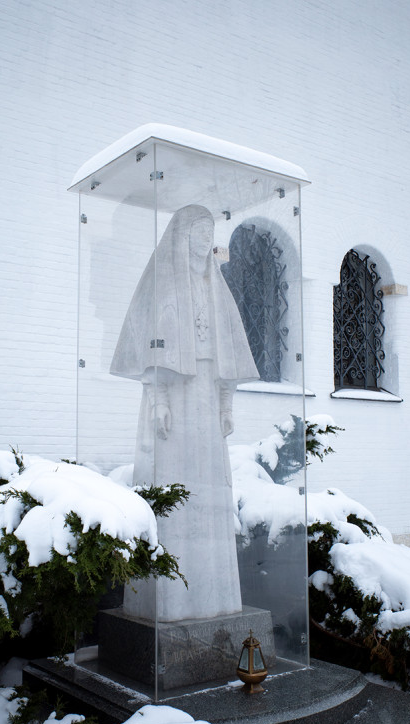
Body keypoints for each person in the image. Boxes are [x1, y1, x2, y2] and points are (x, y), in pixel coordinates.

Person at [111, 204, 259, 621]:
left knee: (207, 492)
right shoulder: (165, 283)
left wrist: (226, 404)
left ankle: (213, 599)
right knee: (174, 491)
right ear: (181, 236)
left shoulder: (216, 285)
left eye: (208, 231)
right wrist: (158, 401)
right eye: (197, 230)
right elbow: (154, 347)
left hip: (207, 400)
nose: (203, 238)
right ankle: (171, 603)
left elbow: (227, 349)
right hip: (175, 398)